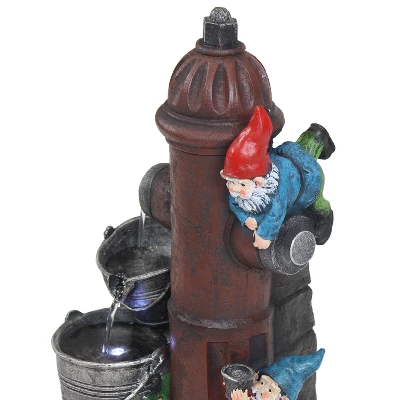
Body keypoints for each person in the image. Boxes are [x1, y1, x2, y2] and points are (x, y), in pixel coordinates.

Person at [220, 105, 334, 249]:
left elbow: (275, 214)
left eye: (242, 184)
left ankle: (325, 215)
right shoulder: (238, 190)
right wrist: (245, 218)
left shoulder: (275, 193)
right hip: (284, 157)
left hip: (306, 176)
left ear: (259, 182)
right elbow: (234, 204)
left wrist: (264, 236)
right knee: (299, 150)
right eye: (231, 182)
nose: (235, 189)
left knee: (315, 202)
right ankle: (316, 135)